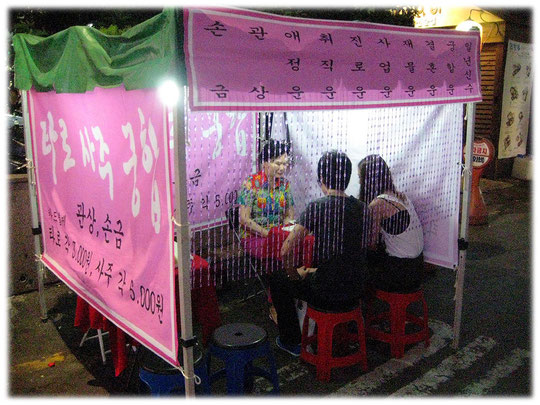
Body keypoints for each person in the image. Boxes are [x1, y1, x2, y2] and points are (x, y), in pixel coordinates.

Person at [268, 151, 368, 356]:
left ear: (322, 178)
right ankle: (344, 329)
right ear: (347, 178)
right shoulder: (362, 208)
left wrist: (294, 276)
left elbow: (286, 250)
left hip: (326, 290)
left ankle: (292, 341)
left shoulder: (317, 208)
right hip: (357, 287)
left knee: (278, 279)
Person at [357, 154, 424, 293]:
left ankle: (360, 310)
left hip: (401, 272)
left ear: (367, 181)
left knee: (355, 266)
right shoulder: (400, 196)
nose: (359, 183)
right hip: (417, 266)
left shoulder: (378, 204)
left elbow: (371, 244)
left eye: (360, 179)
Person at [237, 139, 294, 257]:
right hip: (254, 237)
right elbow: (244, 219)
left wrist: (284, 231)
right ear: (265, 163)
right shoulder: (250, 183)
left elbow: (289, 215)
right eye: (278, 164)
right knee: (278, 253)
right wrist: (268, 234)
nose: (282, 168)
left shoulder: (285, 185)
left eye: (285, 164)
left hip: (277, 235)